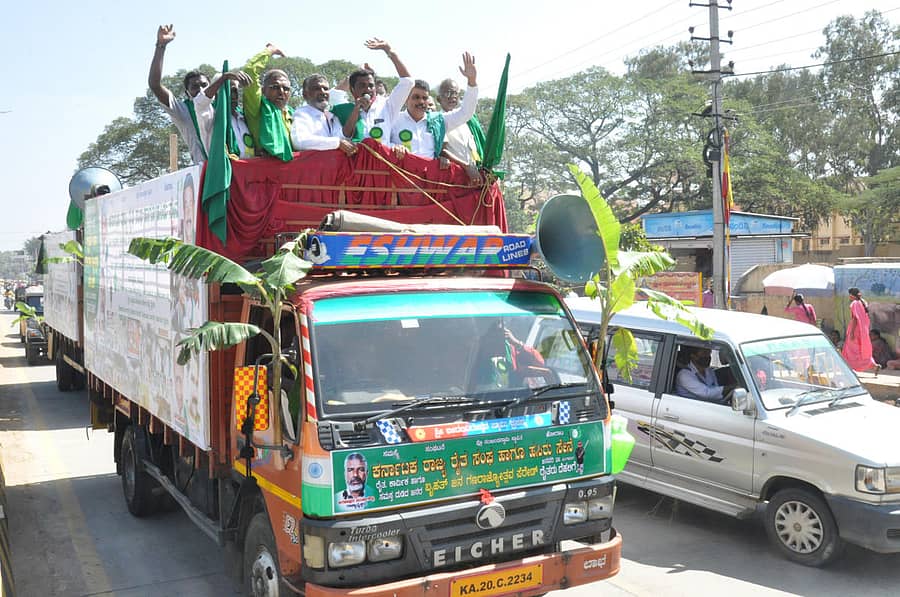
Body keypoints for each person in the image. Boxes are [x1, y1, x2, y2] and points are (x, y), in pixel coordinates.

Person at [391, 53, 479, 160]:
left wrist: (472, 81)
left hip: (429, 176)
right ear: (405, 100)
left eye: (425, 98)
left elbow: (466, 113)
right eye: (416, 97)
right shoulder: (394, 120)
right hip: (402, 174)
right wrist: (394, 147)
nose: (421, 101)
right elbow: (380, 142)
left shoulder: (437, 121)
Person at [148, 24, 210, 164]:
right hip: (204, 173)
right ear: (188, 93)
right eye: (195, 87)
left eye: (204, 85)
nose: (200, 90)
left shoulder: (221, 107)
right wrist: (161, 45)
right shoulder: (183, 110)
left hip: (233, 169)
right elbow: (155, 85)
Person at [332, 39, 413, 145]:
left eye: (371, 86)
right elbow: (342, 138)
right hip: (356, 160)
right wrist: (356, 110)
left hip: (381, 160)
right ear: (352, 89)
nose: (368, 90)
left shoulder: (387, 105)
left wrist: (389, 50)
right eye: (362, 86)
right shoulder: (345, 110)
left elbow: (408, 82)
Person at [242, 43, 294, 161]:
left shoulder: (293, 114)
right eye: (275, 87)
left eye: (286, 89)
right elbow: (249, 71)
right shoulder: (258, 107)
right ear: (263, 90)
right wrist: (270, 50)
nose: (281, 92)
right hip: (264, 173)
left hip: (292, 173)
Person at [193, 70, 255, 160]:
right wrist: (224, 77)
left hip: (248, 170)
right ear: (217, 94)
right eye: (227, 91)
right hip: (224, 172)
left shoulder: (243, 117)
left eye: (235, 91)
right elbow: (200, 102)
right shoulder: (210, 116)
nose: (233, 95)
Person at [290, 74, 357, 156]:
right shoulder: (302, 114)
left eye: (325, 89)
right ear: (305, 94)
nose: (322, 92)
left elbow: (341, 138)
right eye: (316, 88)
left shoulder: (331, 116)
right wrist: (337, 143)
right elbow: (300, 141)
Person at [842, 287, 879, 373]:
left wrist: (851, 333)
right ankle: (874, 365)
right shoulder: (864, 302)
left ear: (852, 295)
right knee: (861, 350)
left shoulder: (855, 303)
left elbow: (855, 318)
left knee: (851, 351)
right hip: (863, 331)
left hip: (855, 330)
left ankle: (850, 369)